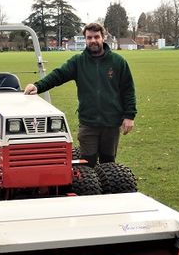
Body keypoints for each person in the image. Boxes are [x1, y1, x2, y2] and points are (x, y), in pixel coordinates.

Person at [24, 23, 137, 167]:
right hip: (88, 123)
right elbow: (58, 75)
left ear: (103, 38)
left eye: (96, 37)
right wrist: (38, 86)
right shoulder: (78, 62)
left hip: (111, 123)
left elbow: (128, 90)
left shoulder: (118, 62)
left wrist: (129, 116)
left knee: (108, 164)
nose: (93, 40)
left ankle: (107, 190)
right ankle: (89, 189)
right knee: (86, 164)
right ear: (85, 39)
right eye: (89, 37)